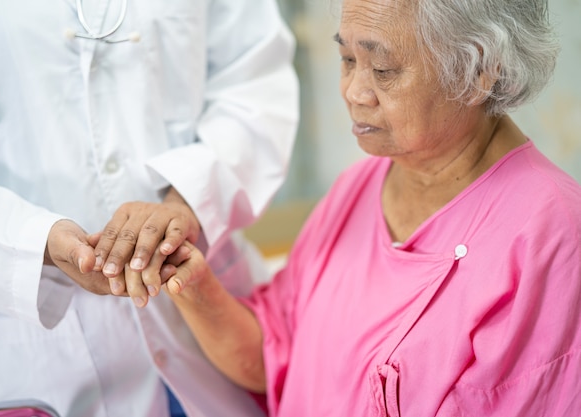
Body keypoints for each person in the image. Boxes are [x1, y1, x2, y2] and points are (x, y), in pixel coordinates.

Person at [154, 0, 581, 415]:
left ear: (478, 71)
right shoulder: (357, 188)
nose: (354, 91)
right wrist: (191, 282)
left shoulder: (552, 234)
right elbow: (273, 357)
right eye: (346, 59)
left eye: (383, 70)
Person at [0, 1, 298, 416]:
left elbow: (256, 84)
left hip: (209, 326)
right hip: (29, 348)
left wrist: (187, 199)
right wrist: (37, 241)